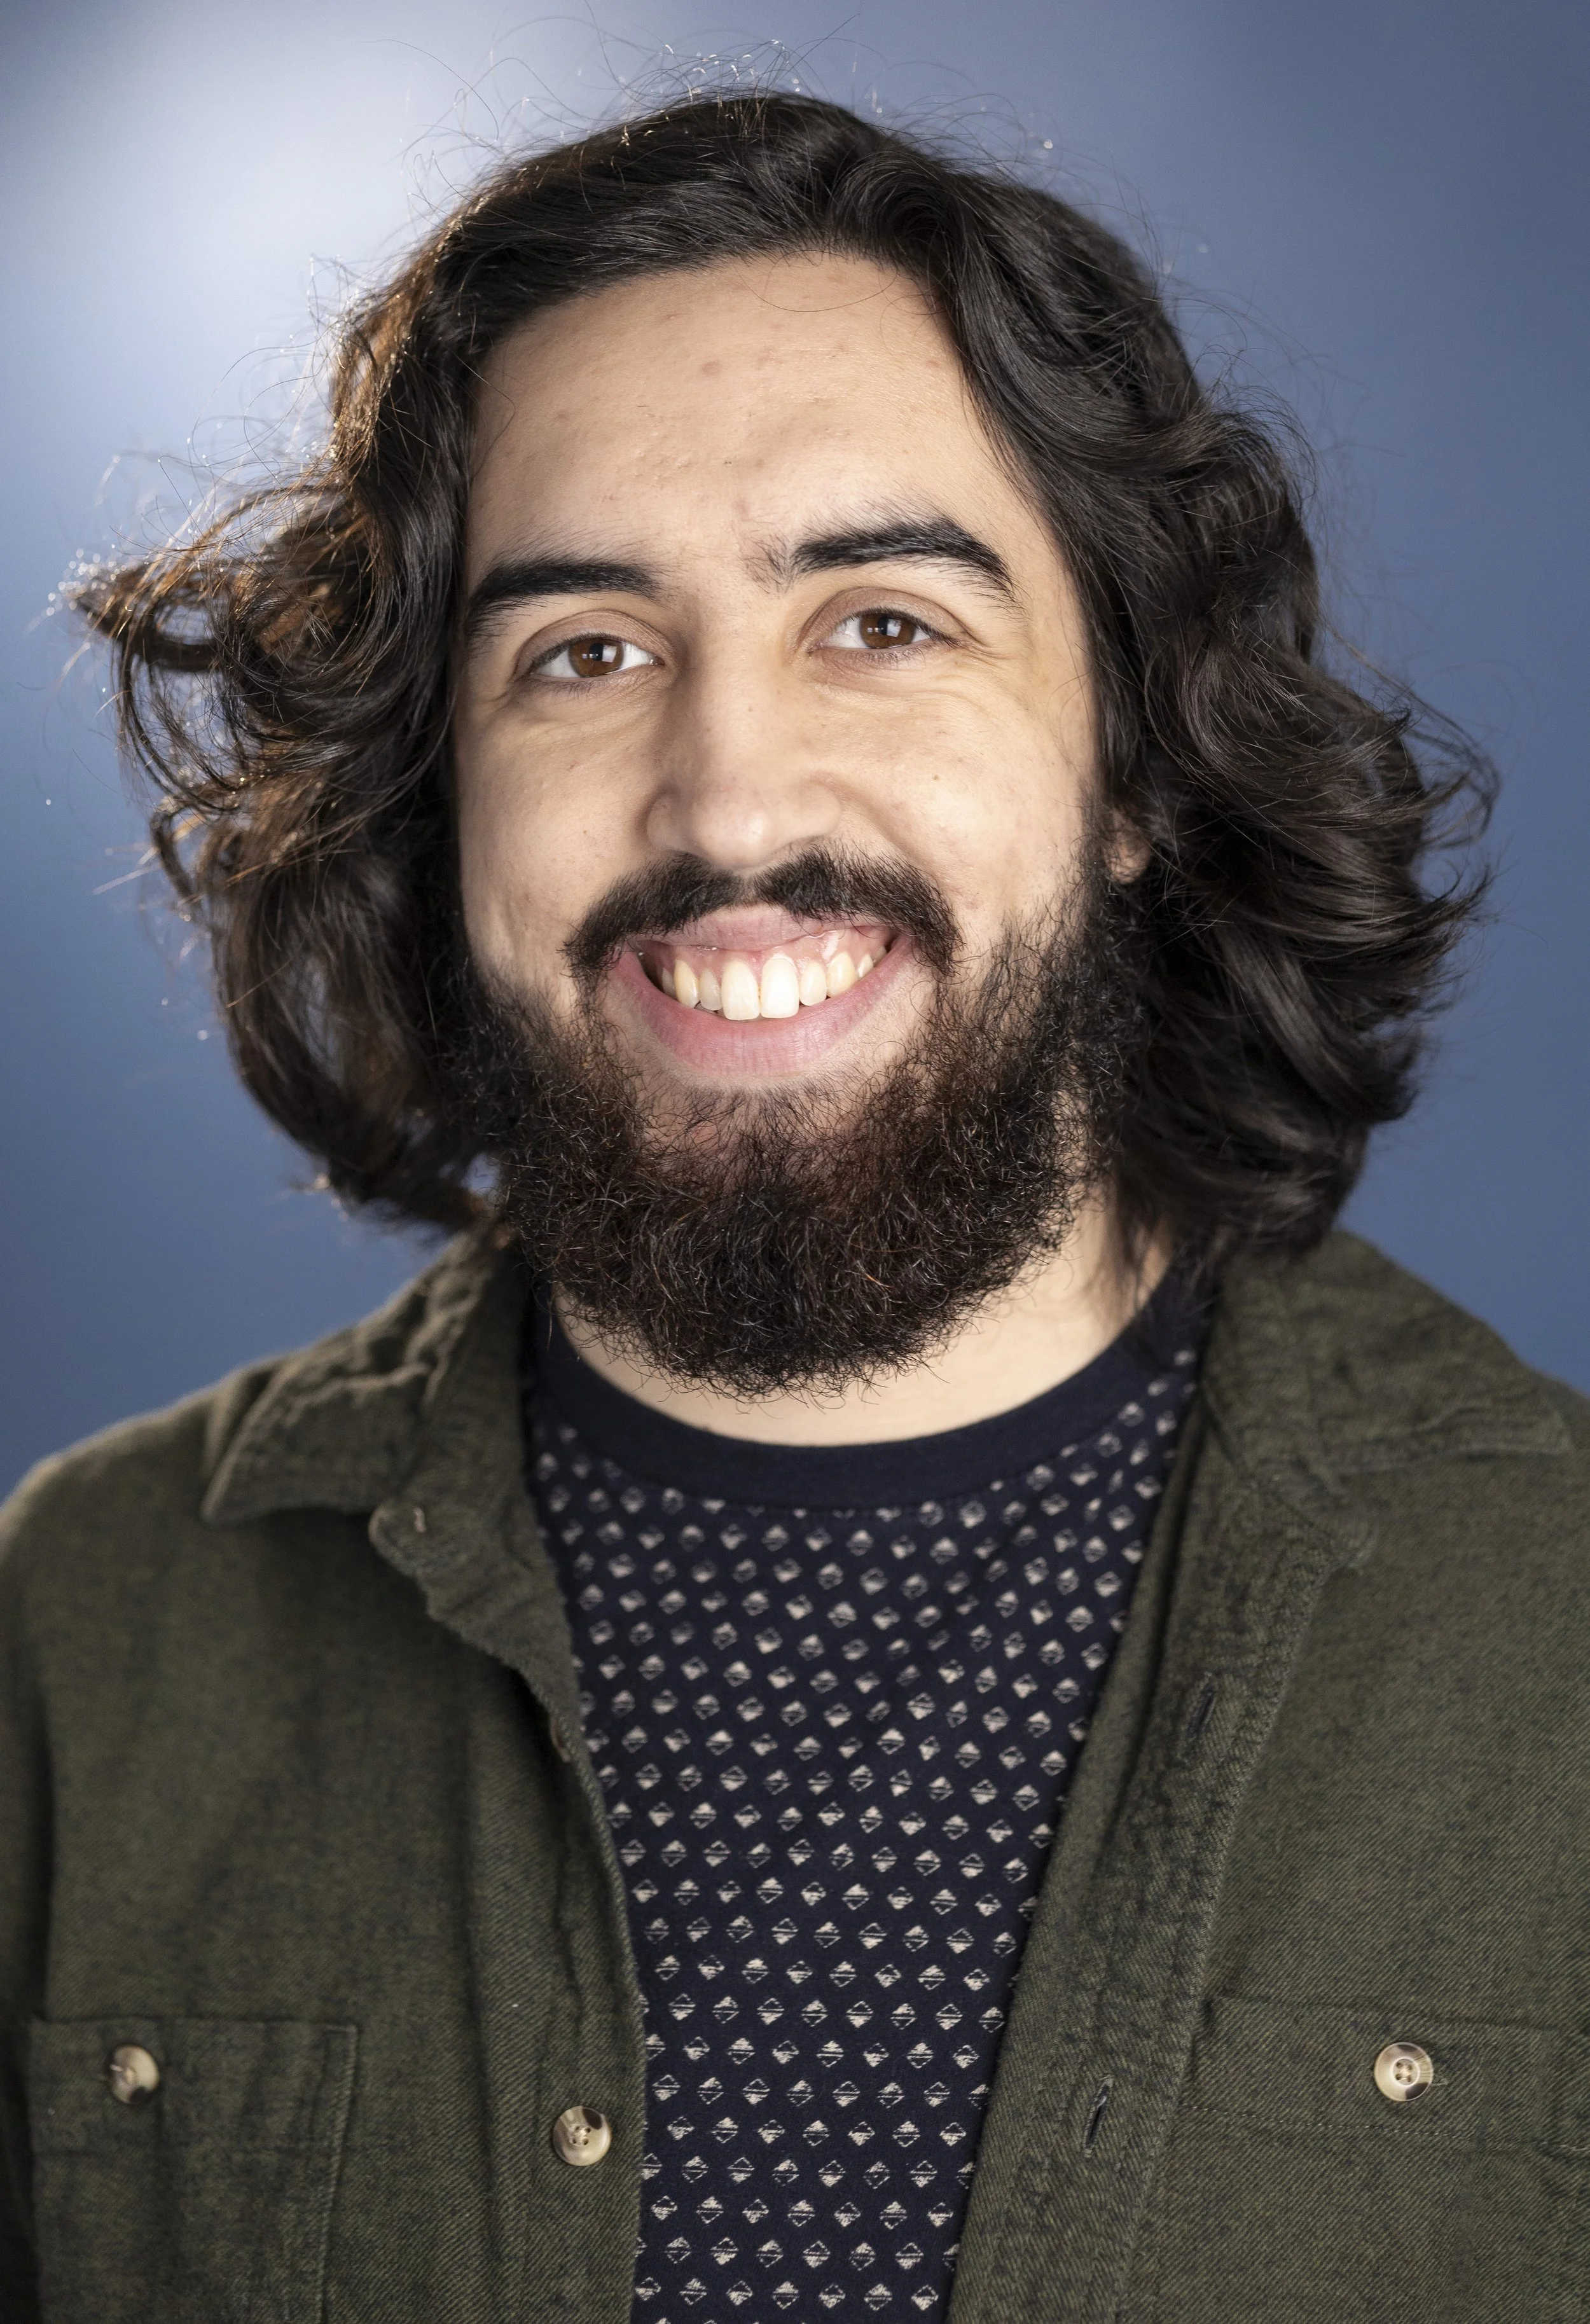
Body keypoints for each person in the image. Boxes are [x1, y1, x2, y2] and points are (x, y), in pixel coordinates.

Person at [2, 89, 1584, 2324]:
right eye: (583, 651)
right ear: (436, 796)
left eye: (883, 622)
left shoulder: (1560, 1629)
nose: (727, 792)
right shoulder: (74, 1636)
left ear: (1129, 762)